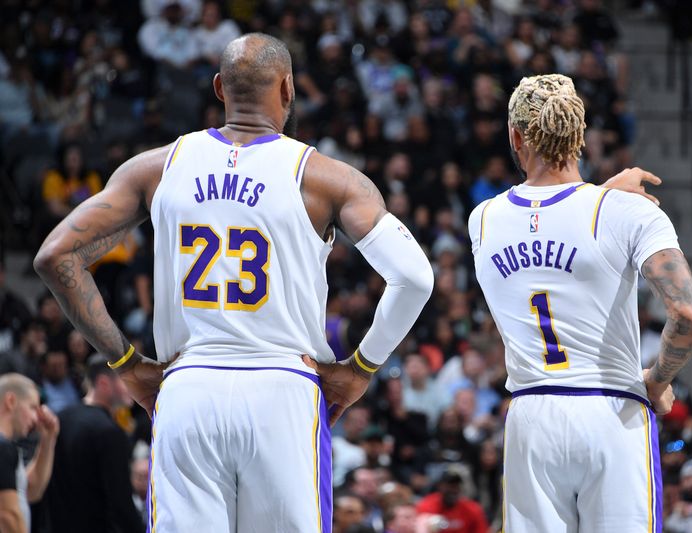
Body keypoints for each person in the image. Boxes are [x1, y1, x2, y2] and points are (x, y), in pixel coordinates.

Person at [34, 33, 434, 532]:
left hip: (189, 389)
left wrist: (126, 363)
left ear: (220, 87)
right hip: (283, 391)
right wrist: (361, 367)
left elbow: (56, 256)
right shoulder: (328, 179)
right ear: (288, 89)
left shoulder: (158, 168)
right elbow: (415, 278)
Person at [468, 74, 692, 532]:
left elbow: (554, 216)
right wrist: (658, 380)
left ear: (516, 137)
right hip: (611, 412)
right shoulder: (626, 211)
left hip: (531, 417)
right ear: (580, 137)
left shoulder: (482, 219)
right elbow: (690, 314)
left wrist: (603, 192)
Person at [47, 355, 143, 533]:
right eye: (126, 381)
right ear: (104, 383)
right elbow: (120, 503)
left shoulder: (59, 419)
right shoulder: (110, 432)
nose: (133, 387)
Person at [0, 373, 59, 533]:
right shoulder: (2, 447)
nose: (36, 418)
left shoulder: (8, 447)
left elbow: (30, 491)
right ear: (11, 401)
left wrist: (48, 439)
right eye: (33, 407)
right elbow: (8, 514)